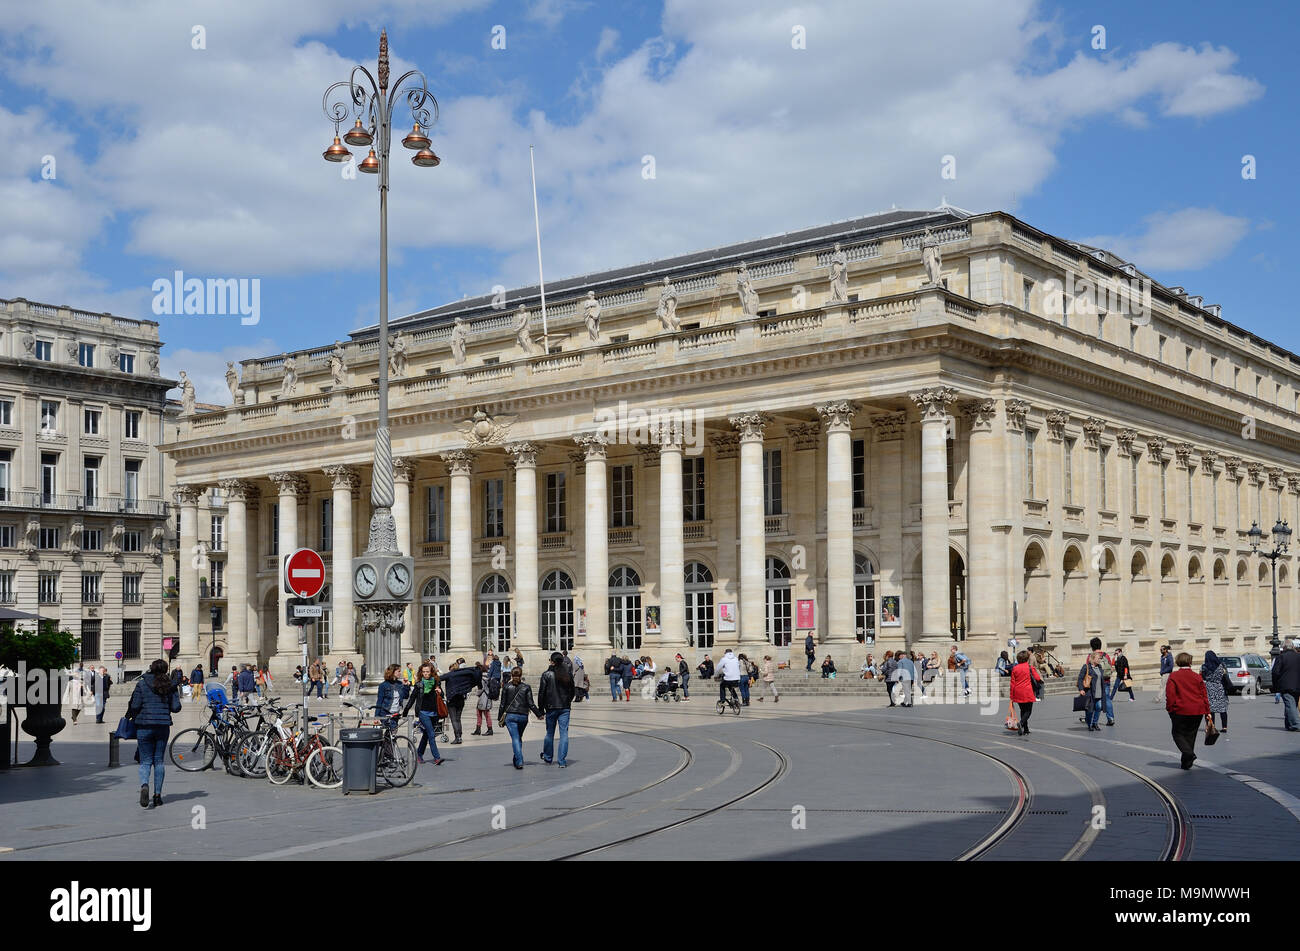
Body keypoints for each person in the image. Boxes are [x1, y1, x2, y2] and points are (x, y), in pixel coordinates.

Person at [126, 658, 182, 808]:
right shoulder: (170, 685)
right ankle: (157, 796)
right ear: (165, 670)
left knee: (145, 761)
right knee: (159, 761)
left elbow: (135, 705)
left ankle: (144, 785)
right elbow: (176, 708)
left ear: (151, 668)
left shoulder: (142, 683)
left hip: (144, 725)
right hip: (162, 725)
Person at [1166, 651, 1210, 769]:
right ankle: (1186, 763)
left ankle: (1189, 754)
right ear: (1190, 662)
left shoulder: (1174, 676)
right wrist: (1207, 711)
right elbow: (1204, 694)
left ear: (1177, 662)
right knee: (1191, 735)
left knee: (1177, 733)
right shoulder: (1197, 677)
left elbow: (1170, 695)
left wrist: (1170, 709)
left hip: (1180, 710)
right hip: (1197, 710)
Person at [498, 667, 542, 769]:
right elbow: (531, 704)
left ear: (511, 675)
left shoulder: (506, 687)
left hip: (510, 716)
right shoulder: (526, 687)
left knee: (515, 738)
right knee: (518, 738)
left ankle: (519, 759)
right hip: (523, 716)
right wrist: (539, 714)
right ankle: (517, 759)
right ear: (521, 675)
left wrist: (500, 717)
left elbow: (502, 704)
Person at [401, 662, 444, 765]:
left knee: (426, 734)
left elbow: (442, 694)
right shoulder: (419, 684)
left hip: (434, 712)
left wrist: (440, 692)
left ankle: (419, 754)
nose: (425, 674)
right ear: (421, 672)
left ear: (431, 672)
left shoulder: (436, 682)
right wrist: (405, 711)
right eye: (424, 672)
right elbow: (412, 698)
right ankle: (437, 757)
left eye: (427, 672)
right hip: (423, 712)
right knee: (431, 734)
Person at [538, 652, 575, 768]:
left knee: (550, 733)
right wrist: (568, 701)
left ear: (552, 661)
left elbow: (541, 693)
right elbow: (573, 691)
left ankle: (548, 757)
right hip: (564, 707)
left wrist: (540, 709)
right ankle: (562, 761)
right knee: (564, 734)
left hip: (551, 707)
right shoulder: (567, 674)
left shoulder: (546, 674)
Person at [440, 658, 481, 744]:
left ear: (451, 668)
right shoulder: (463, 675)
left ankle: (457, 737)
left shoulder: (450, 675)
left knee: (454, 719)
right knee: (458, 719)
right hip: (461, 698)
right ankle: (460, 736)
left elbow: (438, 678)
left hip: (452, 699)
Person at [1008, 650, 1043, 736]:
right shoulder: (1030, 667)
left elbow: (1012, 683)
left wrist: (1011, 696)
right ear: (1027, 658)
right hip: (1027, 691)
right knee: (1028, 711)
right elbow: (1037, 678)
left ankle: (1026, 729)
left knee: (1023, 710)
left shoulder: (1015, 668)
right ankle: (1021, 723)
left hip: (1018, 692)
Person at [1201, 650, 1231, 733]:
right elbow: (1225, 676)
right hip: (1220, 687)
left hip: (1209, 688)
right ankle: (1224, 727)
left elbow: (1203, 677)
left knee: (1210, 709)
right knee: (1223, 709)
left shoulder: (1204, 667)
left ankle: (1211, 726)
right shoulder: (1222, 666)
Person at [1271, 644, 1300, 731]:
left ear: (1284, 648)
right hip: (1298, 685)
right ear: (1293, 647)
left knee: (1290, 704)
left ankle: (1295, 724)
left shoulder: (1281, 657)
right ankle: (1288, 724)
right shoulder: (1298, 656)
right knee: (1292, 703)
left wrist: (1275, 685)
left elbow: (1275, 672)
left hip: (1286, 685)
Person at [1089, 637, 1116, 726]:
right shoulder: (1106, 655)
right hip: (1106, 680)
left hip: (1095, 682)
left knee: (1093, 700)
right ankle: (1110, 718)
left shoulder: (1091, 656)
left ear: (1092, 646)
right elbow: (1111, 668)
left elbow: (1088, 669)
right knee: (1107, 699)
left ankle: (1091, 719)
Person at [374, 664, 409, 730]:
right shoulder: (383, 685)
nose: (400, 673)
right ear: (393, 672)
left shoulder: (400, 684)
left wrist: (406, 686)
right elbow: (379, 701)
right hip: (385, 712)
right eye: (398, 671)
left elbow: (406, 696)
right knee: (392, 731)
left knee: (391, 734)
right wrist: (376, 717)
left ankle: (387, 740)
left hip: (396, 713)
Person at [1077, 650, 1105, 731]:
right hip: (1090, 692)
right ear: (1093, 659)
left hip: (1099, 692)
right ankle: (1089, 724)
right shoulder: (1086, 667)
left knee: (1098, 707)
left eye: (1099, 658)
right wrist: (1081, 689)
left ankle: (1095, 723)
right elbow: (1080, 678)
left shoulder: (1099, 667)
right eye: (1098, 658)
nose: (1099, 660)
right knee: (1090, 710)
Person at [473, 663, 495, 736]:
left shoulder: (482, 678)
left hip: (483, 698)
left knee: (484, 714)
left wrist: (476, 693)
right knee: (481, 713)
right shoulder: (488, 677)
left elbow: (481, 688)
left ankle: (489, 729)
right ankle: (478, 729)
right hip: (487, 697)